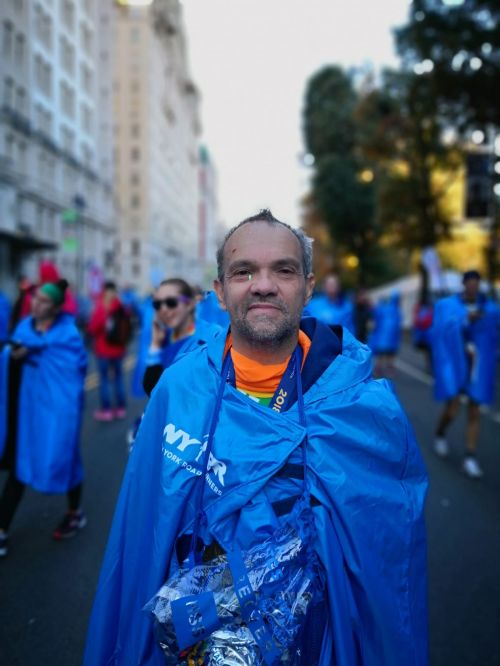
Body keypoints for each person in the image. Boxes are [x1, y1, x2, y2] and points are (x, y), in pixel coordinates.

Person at [84, 210, 428, 665]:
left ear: (307, 286)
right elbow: (141, 531)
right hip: (196, 637)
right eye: (243, 271)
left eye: (283, 270)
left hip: (316, 641)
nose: (263, 285)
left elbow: (388, 565)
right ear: (220, 291)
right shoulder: (179, 388)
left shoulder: (365, 406)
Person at [0, 280, 87, 558]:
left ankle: (74, 512)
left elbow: (73, 372)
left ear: (57, 307)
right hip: (26, 411)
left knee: (65, 457)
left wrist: (36, 349)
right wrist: (15, 356)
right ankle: (1, 530)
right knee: (20, 465)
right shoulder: (24, 328)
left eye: (44, 301)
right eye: (35, 298)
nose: (36, 304)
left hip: (57, 412)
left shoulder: (68, 335)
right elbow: (10, 360)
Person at [431, 270, 499, 478]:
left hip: (478, 368)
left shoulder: (490, 308)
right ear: (463, 284)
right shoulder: (449, 306)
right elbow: (441, 330)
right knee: (452, 409)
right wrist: (465, 319)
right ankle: (440, 433)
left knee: (474, 410)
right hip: (456, 365)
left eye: (476, 283)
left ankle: (470, 457)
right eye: (470, 283)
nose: (473, 287)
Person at [143, 278, 221, 397]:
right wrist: (155, 345)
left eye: (171, 302)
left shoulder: (213, 336)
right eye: (157, 305)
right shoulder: (164, 338)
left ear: (189, 304)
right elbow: (152, 390)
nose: (163, 309)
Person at [87, 281, 130, 421]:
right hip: (118, 349)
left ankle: (106, 410)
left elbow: (93, 328)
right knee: (118, 378)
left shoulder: (101, 307)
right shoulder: (120, 306)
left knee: (105, 380)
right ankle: (121, 408)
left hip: (103, 350)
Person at [368, 292, 402, 378]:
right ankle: (390, 371)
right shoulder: (397, 311)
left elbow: (375, 320)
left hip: (381, 338)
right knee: (390, 356)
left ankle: (378, 370)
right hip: (392, 340)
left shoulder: (382, 309)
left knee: (380, 356)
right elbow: (398, 326)